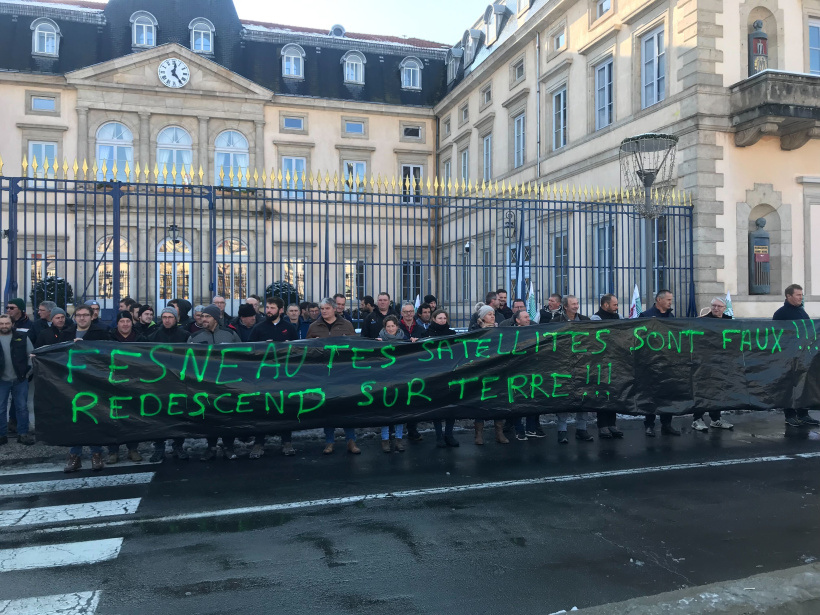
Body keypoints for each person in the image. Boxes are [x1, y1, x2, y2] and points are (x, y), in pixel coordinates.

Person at [308, 298, 360, 454]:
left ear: (334, 309)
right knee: (328, 408)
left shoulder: (346, 325)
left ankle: (351, 440)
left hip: (343, 372)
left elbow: (354, 348)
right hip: (324, 374)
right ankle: (329, 441)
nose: (324, 311)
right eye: (322, 308)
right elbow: (306, 351)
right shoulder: (314, 327)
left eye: (327, 308)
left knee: (346, 407)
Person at [248, 297, 298, 458]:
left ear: (280, 310)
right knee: (262, 409)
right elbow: (249, 351)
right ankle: (259, 443)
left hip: (284, 377)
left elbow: (298, 351)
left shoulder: (289, 328)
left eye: (272, 308)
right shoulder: (258, 328)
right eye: (267, 307)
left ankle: (286, 441)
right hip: (263, 377)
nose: (268, 310)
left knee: (285, 409)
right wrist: (263, 347)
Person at [190, 305, 241, 461]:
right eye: (202, 316)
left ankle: (229, 447)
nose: (203, 319)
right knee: (209, 417)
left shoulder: (230, 335)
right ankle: (211, 447)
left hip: (227, 383)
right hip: (206, 384)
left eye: (207, 316)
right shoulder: (195, 337)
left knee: (228, 417)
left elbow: (242, 356)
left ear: (216, 318)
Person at [145, 306, 190, 462]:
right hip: (159, 383)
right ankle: (159, 447)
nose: (167, 320)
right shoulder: (152, 336)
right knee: (159, 416)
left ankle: (178, 445)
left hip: (178, 382)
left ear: (176, 319)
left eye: (170, 317)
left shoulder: (184, 335)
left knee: (179, 414)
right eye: (164, 317)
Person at [773, 284, 820, 427]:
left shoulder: (801, 312)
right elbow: (776, 335)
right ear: (789, 296)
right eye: (798, 295)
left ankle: (803, 414)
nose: (801, 297)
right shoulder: (781, 313)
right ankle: (790, 415)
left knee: (803, 384)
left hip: (802, 356)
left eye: (802, 294)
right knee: (789, 386)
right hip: (787, 357)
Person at [106, 311, 146, 464]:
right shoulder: (108, 338)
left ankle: (133, 449)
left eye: (127, 321)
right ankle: (113, 451)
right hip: (112, 382)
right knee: (112, 417)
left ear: (132, 323)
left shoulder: (141, 339)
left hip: (133, 382)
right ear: (117, 323)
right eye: (122, 321)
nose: (125, 324)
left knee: (132, 416)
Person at [640, 290, 681, 436]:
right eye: (668, 299)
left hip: (667, 362)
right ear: (659, 299)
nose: (670, 302)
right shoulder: (645, 316)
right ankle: (649, 425)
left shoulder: (670, 316)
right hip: (651, 362)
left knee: (667, 394)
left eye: (671, 299)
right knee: (651, 395)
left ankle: (666, 424)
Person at [469, 305, 508, 445]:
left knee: (498, 401)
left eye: (493, 314)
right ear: (482, 316)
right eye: (489, 314)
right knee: (481, 401)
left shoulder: (500, 330)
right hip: (481, 371)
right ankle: (478, 434)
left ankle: (499, 432)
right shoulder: (475, 330)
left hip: (497, 370)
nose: (492, 316)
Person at [589, 294, 624, 439]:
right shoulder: (595, 319)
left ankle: (612, 424)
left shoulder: (619, 317)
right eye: (614, 305)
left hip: (616, 362)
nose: (617, 307)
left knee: (614, 394)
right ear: (605, 305)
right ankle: (603, 426)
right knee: (602, 395)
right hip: (601, 363)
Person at [508, 309, 545, 441]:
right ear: (517, 320)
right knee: (518, 401)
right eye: (525, 317)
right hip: (517, 372)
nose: (528, 319)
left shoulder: (534, 331)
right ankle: (519, 430)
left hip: (532, 371)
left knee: (532, 399)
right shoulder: (510, 333)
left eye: (528, 316)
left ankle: (530, 428)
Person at [0, 315, 34, 446]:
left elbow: (31, 355)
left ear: (12, 324)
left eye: (6, 323)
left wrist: (28, 373)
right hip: (1, 380)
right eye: (1, 323)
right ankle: (2, 435)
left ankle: (23, 434)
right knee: (0, 409)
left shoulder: (22, 337)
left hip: (20, 378)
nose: (4, 326)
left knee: (22, 408)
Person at [428, 309, 458, 447]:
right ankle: (439, 435)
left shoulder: (452, 334)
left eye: (444, 318)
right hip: (433, 375)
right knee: (437, 406)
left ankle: (449, 434)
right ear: (434, 319)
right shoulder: (427, 334)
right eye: (439, 318)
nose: (442, 321)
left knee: (451, 406)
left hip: (449, 374)